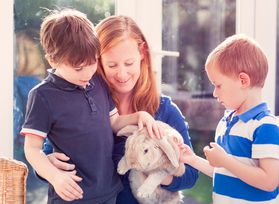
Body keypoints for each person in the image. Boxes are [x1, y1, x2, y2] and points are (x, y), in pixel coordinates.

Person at [44, 15, 199, 203]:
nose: (122, 73)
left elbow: (191, 175)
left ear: (142, 53)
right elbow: (46, 153)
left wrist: (154, 173)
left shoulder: (164, 110)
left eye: (129, 63)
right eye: (112, 65)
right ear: (97, 60)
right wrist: (48, 166)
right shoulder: (82, 102)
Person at [21, 9, 159, 204]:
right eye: (78, 68)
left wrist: (139, 116)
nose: (87, 73)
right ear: (53, 60)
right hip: (72, 196)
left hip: (108, 192)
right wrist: (54, 176)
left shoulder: (97, 82)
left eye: (93, 62)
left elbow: (115, 122)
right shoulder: (43, 96)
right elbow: (32, 149)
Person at [179, 34, 279, 203]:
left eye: (218, 85)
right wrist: (192, 159)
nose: (215, 93)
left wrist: (225, 161)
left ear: (243, 80)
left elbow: (268, 182)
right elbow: (225, 173)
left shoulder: (266, 127)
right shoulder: (226, 122)